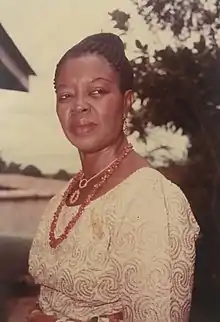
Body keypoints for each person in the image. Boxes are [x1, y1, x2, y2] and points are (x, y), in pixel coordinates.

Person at [28, 33, 199, 322]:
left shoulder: (153, 202)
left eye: (97, 92)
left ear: (127, 101)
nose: (79, 106)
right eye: (66, 95)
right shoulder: (63, 197)